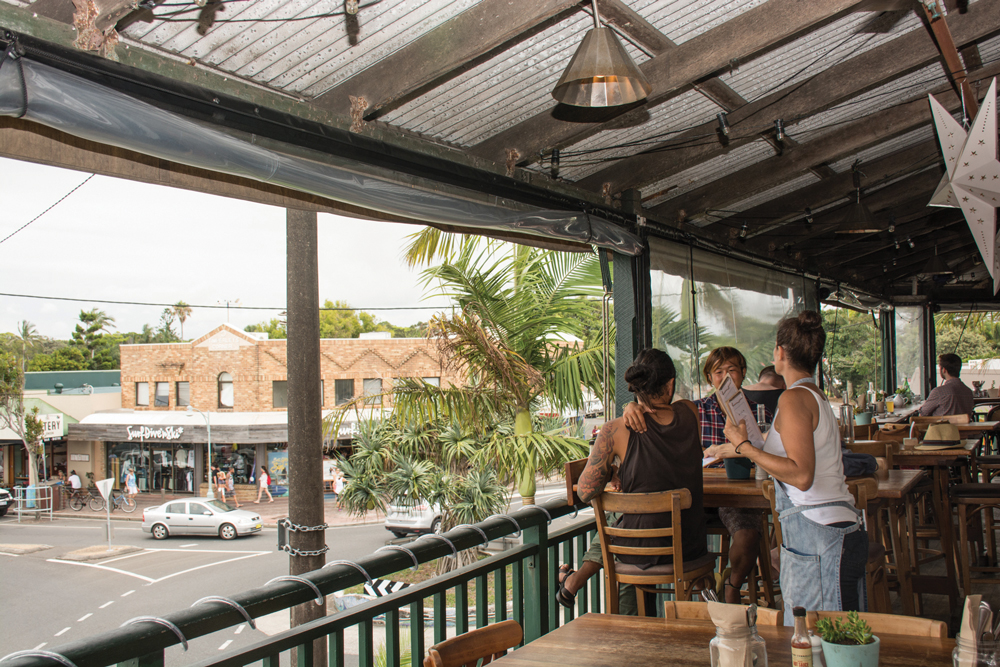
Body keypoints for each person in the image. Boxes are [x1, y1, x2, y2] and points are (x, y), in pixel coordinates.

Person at [706, 311, 867, 621]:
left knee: (813, 643)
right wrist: (736, 447)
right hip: (833, 533)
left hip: (819, 537)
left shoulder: (793, 400)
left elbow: (801, 475)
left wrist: (744, 447)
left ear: (779, 352)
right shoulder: (813, 395)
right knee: (833, 643)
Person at [558, 348, 706, 615]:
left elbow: (586, 492)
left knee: (621, 529)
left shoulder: (614, 430)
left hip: (640, 554)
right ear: (670, 384)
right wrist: (634, 405)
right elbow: (673, 409)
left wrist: (629, 408)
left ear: (636, 386)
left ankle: (628, 625)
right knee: (623, 526)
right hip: (689, 549)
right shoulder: (690, 413)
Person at [625, 346, 770, 604]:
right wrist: (631, 405)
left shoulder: (759, 412)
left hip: (737, 495)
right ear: (709, 378)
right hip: (697, 495)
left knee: (748, 536)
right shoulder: (693, 411)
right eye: (718, 372)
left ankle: (731, 585)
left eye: (732, 370)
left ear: (743, 373)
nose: (725, 377)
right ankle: (700, 590)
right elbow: (658, 423)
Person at [918, 353, 974, 420]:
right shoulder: (968, 392)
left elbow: (923, 414)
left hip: (941, 429)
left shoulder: (938, 392)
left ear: (944, 370)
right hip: (963, 430)